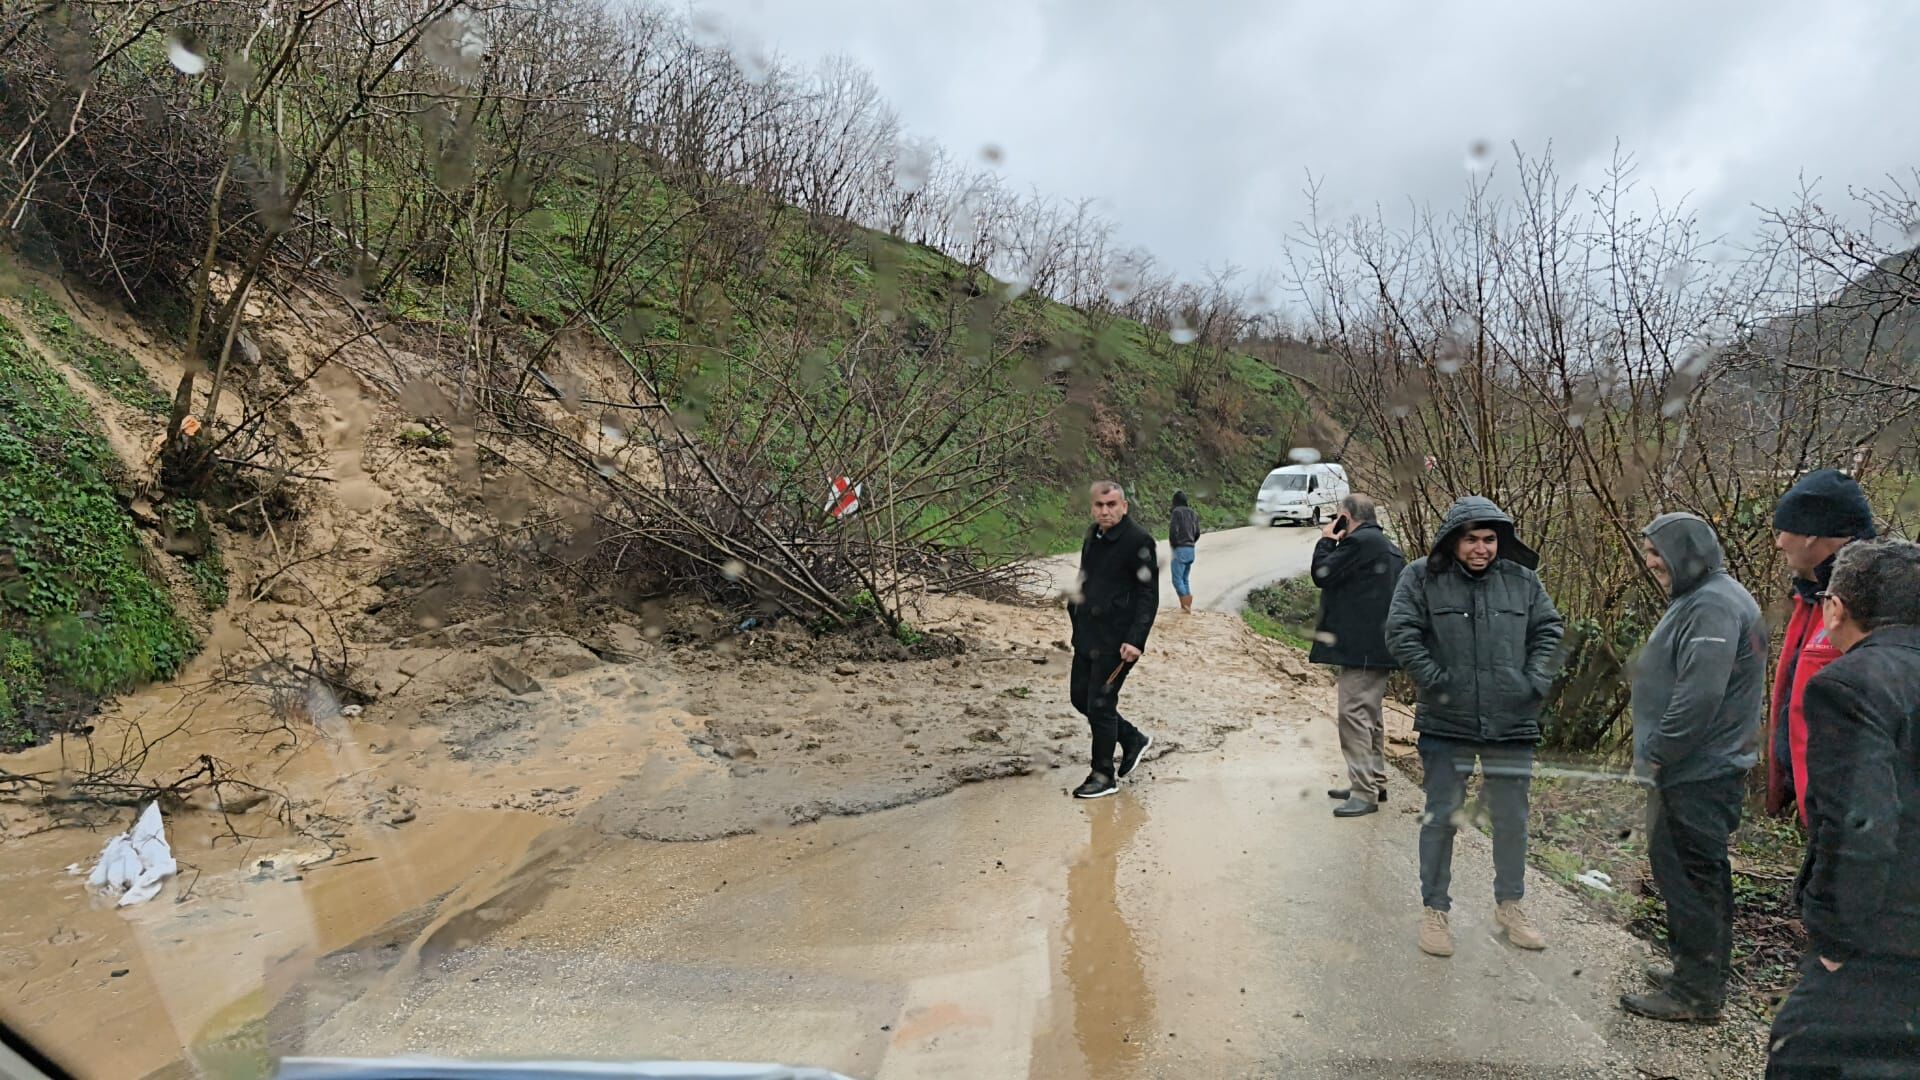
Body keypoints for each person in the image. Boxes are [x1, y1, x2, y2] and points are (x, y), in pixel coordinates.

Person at [1766, 539, 1920, 1077]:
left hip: (1884, 942)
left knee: (1803, 1056)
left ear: (1835, 608)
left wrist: (1835, 940)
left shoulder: (1850, 686)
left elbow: (1861, 824)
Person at [1386, 495, 1563, 957]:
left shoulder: (1522, 581)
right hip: (1448, 721)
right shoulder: (1421, 577)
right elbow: (1401, 632)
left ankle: (1510, 906)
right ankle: (1435, 911)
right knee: (1442, 815)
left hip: (1512, 721)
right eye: (1472, 540)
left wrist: (1534, 680)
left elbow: (1550, 630)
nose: (1482, 549)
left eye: (1489, 540)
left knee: (1511, 819)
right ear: (1453, 540)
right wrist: (1435, 681)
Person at [1619, 513, 1767, 1024]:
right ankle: (1691, 972)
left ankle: (1697, 993)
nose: (1651, 562)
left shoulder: (1712, 606)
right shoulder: (1705, 597)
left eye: (1659, 552)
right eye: (1648, 553)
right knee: (1686, 875)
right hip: (1694, 770)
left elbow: (1699, 696)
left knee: (1693, 880)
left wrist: (1659, 752)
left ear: (1689, 551)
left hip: (1697, 773)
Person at [1767, 469, 1875, 823]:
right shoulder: (1813, 597)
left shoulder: (1872, 604)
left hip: (1850, 822)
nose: (1779, 543)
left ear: (1812, 534)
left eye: (1784, 530)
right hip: (1817, 812)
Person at [1308, 493, 1406, 818]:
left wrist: (1326, 541)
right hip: (1381, 645)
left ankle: (1364, 792)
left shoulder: (1359, 543)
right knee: (1371, 717)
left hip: (1361, 647)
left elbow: (1322, 574)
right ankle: (1374, 781)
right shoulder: (1389, 547)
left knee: (1353, 716)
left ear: (1346, 518)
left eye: (1338, 518)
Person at [1065, 481, 1159, 800]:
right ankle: (1132, 738)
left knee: (1102, 703)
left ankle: (1103, 773)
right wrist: (1074, 610)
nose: (1105, 511)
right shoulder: (1092, 535)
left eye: (1112, 505)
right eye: (1099, 505)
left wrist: (1136, 640)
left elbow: (1149, 595)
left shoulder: (1139, 541)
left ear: (1124, 507)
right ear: (1092, 507)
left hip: (1118, 640)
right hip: (1087, 634)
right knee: (1081, 698)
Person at [1168, 491, 1202, 613]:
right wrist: (1191, 542)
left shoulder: (1177, 512)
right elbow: (1197, 532)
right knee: (1185, 579)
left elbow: (1173, 532)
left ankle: (1186, 603)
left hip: (1180, 549)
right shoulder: (1193, 513)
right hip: (1191, 550)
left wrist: (1174, 545)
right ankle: (1186, 607)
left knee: (1177, 580)